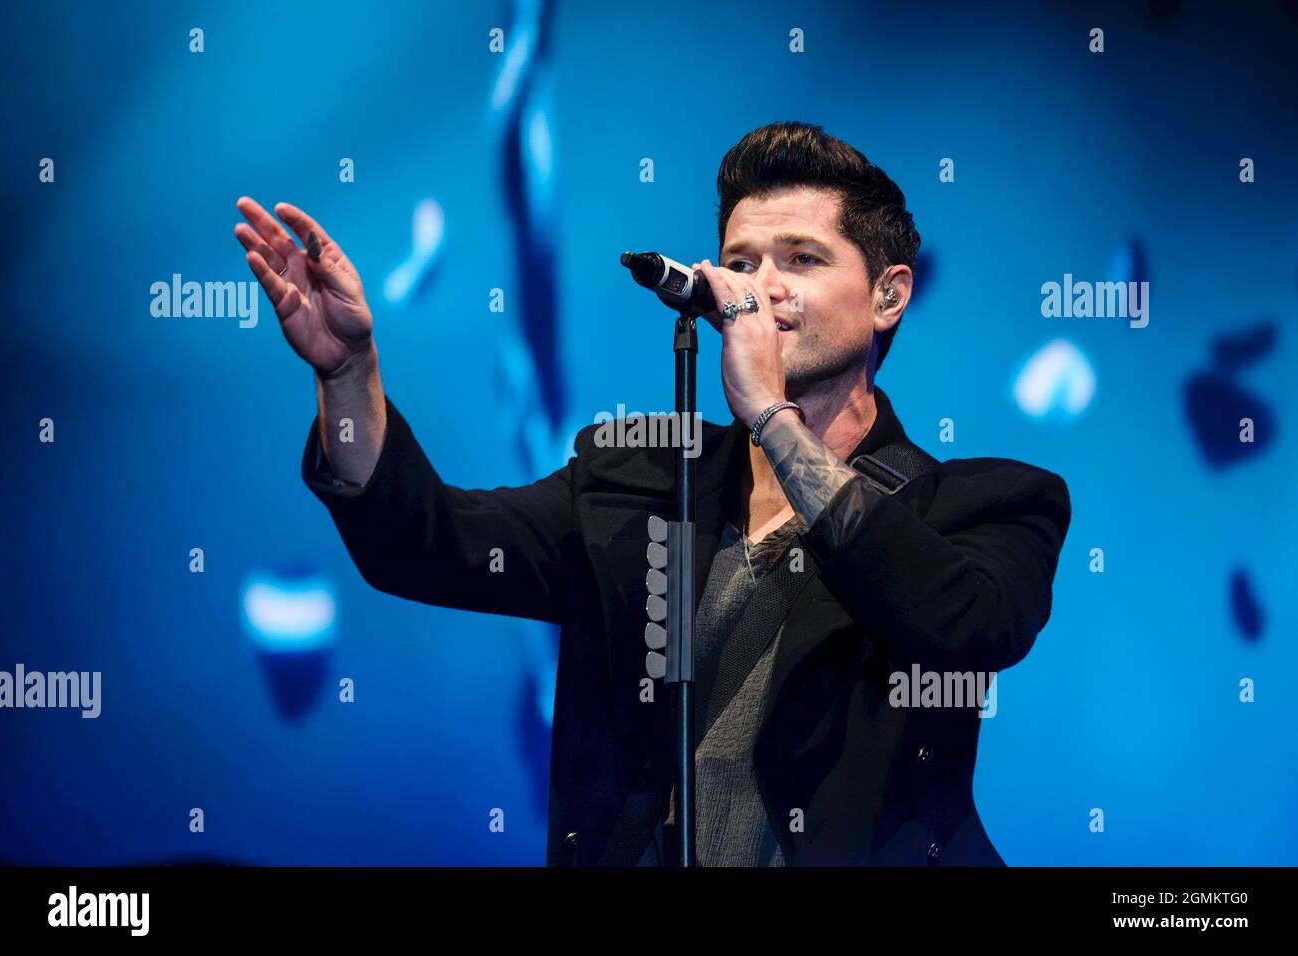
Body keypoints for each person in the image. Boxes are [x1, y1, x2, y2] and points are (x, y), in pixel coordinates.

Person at [233, 121, 1071, 866]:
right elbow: (425, 545)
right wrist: (349, 373)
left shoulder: (988, 503)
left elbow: (965, 623)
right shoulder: (632, 483)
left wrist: (774, 419)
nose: (760, 288)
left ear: (888, 293)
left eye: (802, 260)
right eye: (740, 263)